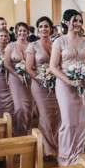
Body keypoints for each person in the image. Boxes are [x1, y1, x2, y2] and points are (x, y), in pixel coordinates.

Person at [49, 9, 85, 166]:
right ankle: (65, 158)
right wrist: (70, 81)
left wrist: (84, 76)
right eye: (75, 20)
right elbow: (53, 67)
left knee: (81, 122)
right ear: (66, 22)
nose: (78, 24)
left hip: (82, 84)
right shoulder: (59, 42)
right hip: (65, 85)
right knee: (68, 122)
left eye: (80, 21)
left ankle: (78, 155)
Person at [25, 16, 61, 160]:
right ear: (38, 29)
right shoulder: (32, 46)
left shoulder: (56, 44)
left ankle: (56, 144)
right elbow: (28, 68)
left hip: (56, 85)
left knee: (57, 115)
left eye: (46, 26)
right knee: (45, 115)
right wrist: (42, 80)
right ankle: (47, 150)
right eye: (41, 26)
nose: (43, 29)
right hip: (39, 85)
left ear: (51, 29)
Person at [3, 21, 34, 137]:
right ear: (16, 32)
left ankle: (27, 130)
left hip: (30, 79)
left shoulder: (32, 45)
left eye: (24, 30)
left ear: (28, 33)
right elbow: (6, 64)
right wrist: (18, 75)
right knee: (20, 107)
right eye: (20, 30)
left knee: (30, 107)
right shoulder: (10, 46)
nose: (22, 32)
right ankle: (19, 133)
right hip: (15, 79)